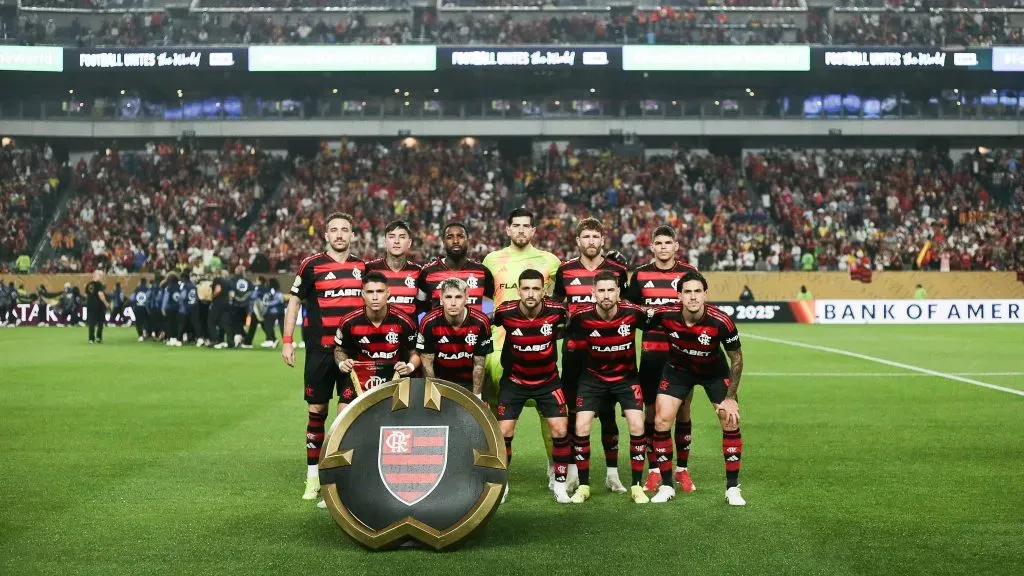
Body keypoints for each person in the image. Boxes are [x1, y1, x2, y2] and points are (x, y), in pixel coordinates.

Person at [280, 212, 366, 504]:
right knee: (317, 412)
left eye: (345, 230)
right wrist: (288, 341)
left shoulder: (362, 268)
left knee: (346, 417)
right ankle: (313, 477)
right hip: (319, 351)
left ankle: (337, 481)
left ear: (352, 235)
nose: (340, 234)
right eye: (334, 230)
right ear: (326, 235)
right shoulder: (311, 265)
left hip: (352, 355)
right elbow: (294, 301)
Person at [647, 271, 746, 506]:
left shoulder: (721, 321)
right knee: (661, 421)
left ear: (705, 295)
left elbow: (737, 359)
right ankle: (668, 485)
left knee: (730, 419)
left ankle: (732, 488)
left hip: (714, 372)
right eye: (688, 292)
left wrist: (730, 397)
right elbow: (635, 315)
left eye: (697, 292)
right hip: (678, 371)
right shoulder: (665, 314)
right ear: (679, 295)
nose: (693, 297)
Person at [481, 208, 561, 481]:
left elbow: (558, 302)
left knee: (546, 410)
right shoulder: (491, 260)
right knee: (496, 411)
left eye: (526, 226)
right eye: (516, 225)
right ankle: (499, 475)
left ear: (534, 230)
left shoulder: (550, 261)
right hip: (500, 345)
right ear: (507, 229)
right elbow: (484, 301)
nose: (521, 230)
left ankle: (553, 467)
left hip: (539, 346)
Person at [553, 217, 629, 495]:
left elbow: (626, 305)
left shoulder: (618, 269)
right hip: (575, 351)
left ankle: (612, 475)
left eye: (595, 237)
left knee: (608, 414)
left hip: (610, 351)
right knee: (574, 413)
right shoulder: (565, 270)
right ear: (578, 241)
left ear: (602, 240)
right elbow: (557, 306)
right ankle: (573, 471)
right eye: (586, 237)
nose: (591, 242)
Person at [624, 225, 699, 493]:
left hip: (682, 355)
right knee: (652, 412)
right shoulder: (641, 275)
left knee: (684, 410)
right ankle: (655, 470)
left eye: (669, 242)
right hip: (652, 354)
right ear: (652, 247)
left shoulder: (690, 275)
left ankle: (682, 470)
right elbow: (630, 311)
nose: (664, 247)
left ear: (676, 246)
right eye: (659, 243)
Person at [565, 271, 650, 504]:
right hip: (592, 379)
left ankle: (636, 485)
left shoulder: (633, 313)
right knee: (581, 426)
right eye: (601, 290)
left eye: (610, 290)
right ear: (593, 293)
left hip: (626, 378)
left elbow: (660, 321)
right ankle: (583, 485)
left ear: (618, 292)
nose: (606, 295)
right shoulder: (581, 316)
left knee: (637, 424)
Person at [492, 269, 572, 504]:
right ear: (518, 290)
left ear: (543, 291)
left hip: (548, 381)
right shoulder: (505, 311)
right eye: (526, 288)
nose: (530, 293)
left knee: (560, 431)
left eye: (535, 288)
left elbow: (576, 323)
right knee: (504, 432)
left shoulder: (556, 311)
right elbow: (482, 324)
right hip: (514, 381)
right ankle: (503, 485)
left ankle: (559, 484)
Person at [416, 278, 493, 394]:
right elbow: (427, 364)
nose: (453, 303)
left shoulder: (481, 322)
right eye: (448, 297)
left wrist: (477, 396)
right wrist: (434, 394)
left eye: (458, 297)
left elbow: (479, 365)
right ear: (441, 299)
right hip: (440, 381)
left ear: (466, 298)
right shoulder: (429, 322)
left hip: (470, 382)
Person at [417, 222, 495, 314]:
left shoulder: (482, 272)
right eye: (450, 237)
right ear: (443, 241)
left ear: (468, 240)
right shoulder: (427, 273)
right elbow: (421, 307)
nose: (455, 241)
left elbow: (490, 304)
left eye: (460, 236)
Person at [365, 220, 422, 318]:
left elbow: (423, 306)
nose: (396, 241)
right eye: (392, 237)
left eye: (402, 237)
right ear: (385, 242)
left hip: (409, 332)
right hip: (378, 332)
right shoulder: (369, 269)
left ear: (409, 243)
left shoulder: (418, 272)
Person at [208, 269, 234, 349]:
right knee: (225, 323)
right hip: (226, 304)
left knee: (211, 322)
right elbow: (231, 295)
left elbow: (218, 290)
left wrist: (212, 296)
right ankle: (230, 342)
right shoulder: (227, 281)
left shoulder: (217, 280)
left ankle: (215, 340)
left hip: (218, 304)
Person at [229, 266, 253, 348]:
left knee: (234, 322)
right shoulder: (248, 281)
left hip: (235, 305)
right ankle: (243, 337)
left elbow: (231, 293)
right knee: (241, 323)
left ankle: (237, 338)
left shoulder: (232, 280)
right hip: (245, 305)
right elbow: (251, 292)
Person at [85, 271, 109, 344]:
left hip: (90, 306)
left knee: (91, 323)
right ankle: (98, 337)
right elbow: (100, 294)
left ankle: (91, 339)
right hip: (99, 306)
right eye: (100, 275)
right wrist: (106, 303)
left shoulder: (88, 285)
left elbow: (87, 295)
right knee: (100, 322)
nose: (101, 277)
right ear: (96, 276)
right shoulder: (99, 284)